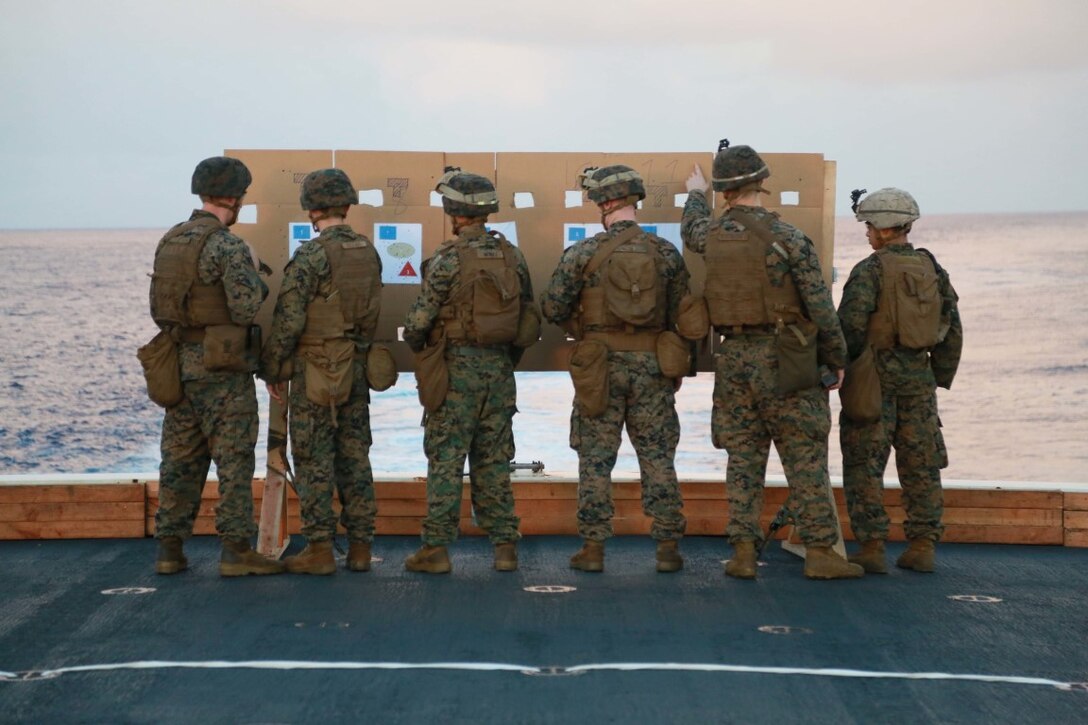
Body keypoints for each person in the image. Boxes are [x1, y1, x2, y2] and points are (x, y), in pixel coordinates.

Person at [682, 141, 862, 580]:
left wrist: (694, 193)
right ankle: (821, 554)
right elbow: (820, 306)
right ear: (763, 182)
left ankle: (743, 554)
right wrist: (837, 358)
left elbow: (692, 229)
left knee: (743, 460)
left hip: (734, 359)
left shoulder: (712, 234)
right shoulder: (790, 238)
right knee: (804, 458)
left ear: (725, 192)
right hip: (788, 358)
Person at [542, 165, 690, 573]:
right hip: (653, 368)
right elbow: (684, 312)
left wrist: (585, 329)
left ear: (605, 204)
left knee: (595, 459)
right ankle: (668, 548)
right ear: (633, 202)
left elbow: (552, 306)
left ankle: (592, 549)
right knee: (658, 457)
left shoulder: (584, 253)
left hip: (599, 367)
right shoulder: (664, 253)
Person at [150, 156, 284, 577]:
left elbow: (159, 308)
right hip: (221, 368)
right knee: (233, 459)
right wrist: (258, 278)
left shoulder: (171, 239)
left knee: (180, 460)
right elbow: (245, 308)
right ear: (235, 198)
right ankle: (235, 551)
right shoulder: (227, 245)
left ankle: (170, 550)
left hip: (178, 364)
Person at [402, 168, 536, 574]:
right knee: (493, 460)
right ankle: (505, 546)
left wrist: (415, 338)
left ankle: (436, 551)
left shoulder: (447, 258)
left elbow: (419, 321)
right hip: (498, 373)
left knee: (445, 459)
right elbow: (527, 317)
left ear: (452, 210)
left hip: (455, 371)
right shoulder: (513, 255)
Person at [260, 168, 386, 575]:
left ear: (312, 210)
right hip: (355, 369)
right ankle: (361, 547)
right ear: (347, 205)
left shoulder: (311, 255)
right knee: (355, 458)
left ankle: (318, 549)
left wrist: (274, 369)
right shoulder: (368, 251)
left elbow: (288, 320)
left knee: (314, 459)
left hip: (314, 370)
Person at [839, 188, 963, 573]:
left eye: (868, 226)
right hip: (919, 381)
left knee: (864, 465)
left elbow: (850, 328)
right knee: (921, 466)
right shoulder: (931, 268)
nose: (866, 234)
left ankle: (873, 548)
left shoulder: (869, 270)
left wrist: (839, 368)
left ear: (881, 228)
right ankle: (922, 546)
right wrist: (937, 376)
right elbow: (952, 327)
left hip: (874, 381)